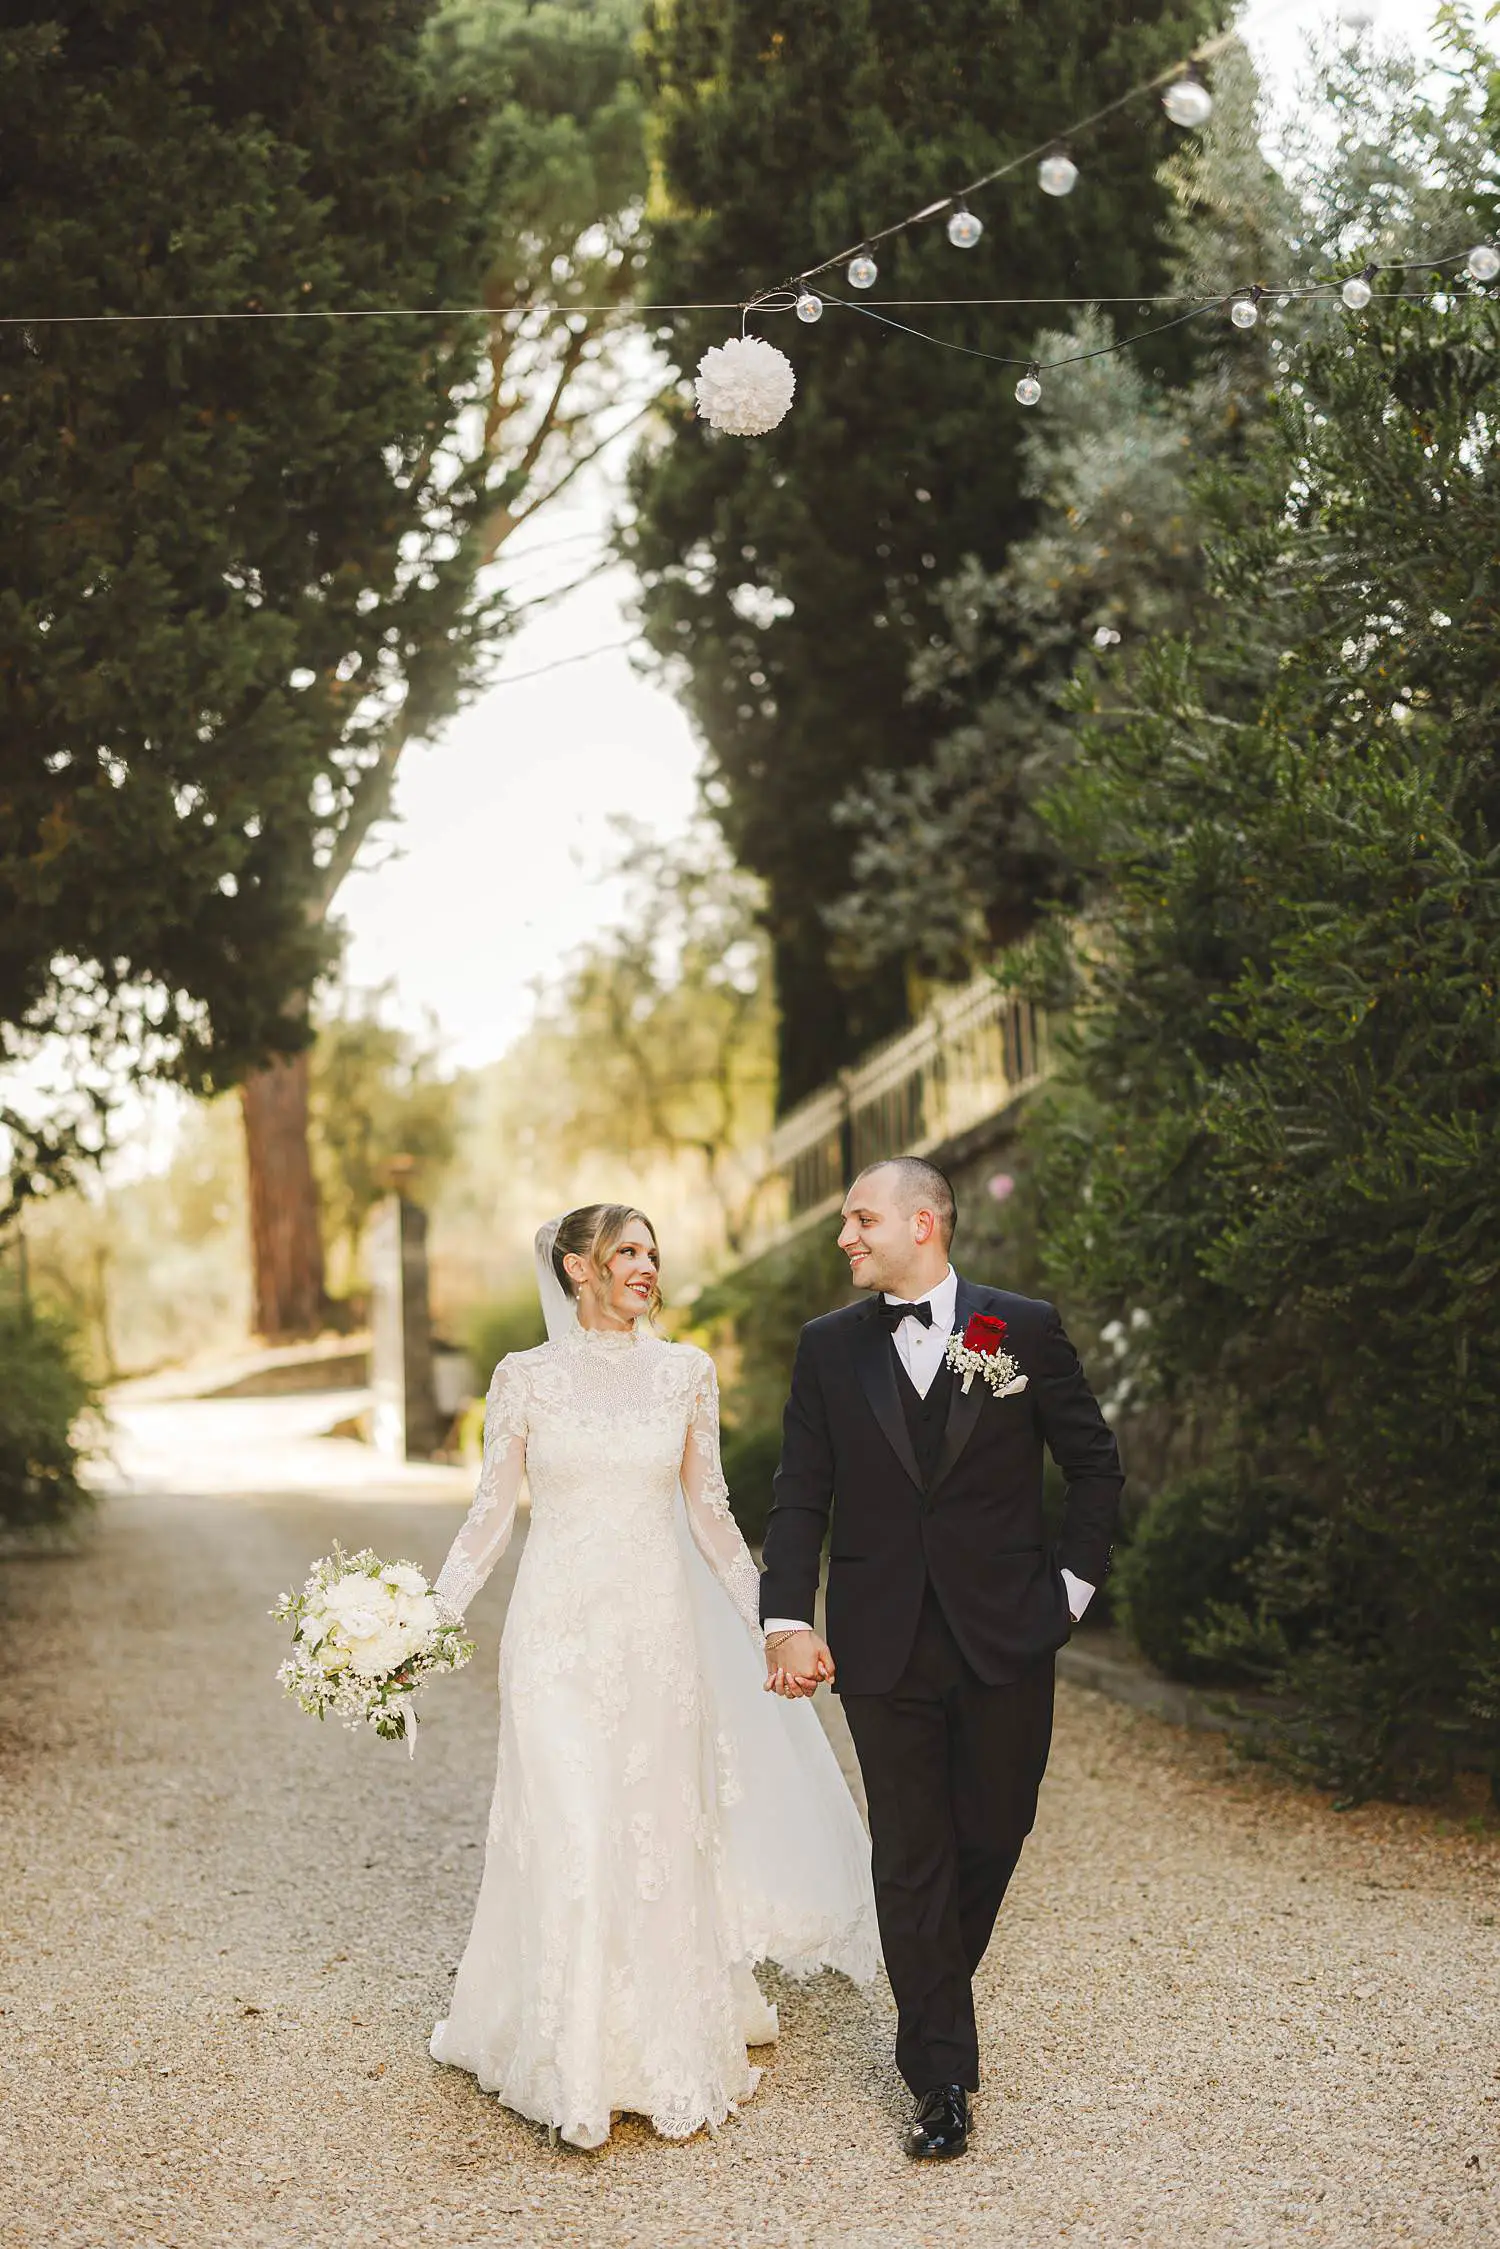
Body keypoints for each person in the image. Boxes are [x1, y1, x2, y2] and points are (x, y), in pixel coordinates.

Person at [428, 1203, 878, 2150]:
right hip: (552, 1639)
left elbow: (712, 1516)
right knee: (571, 1827)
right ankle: (570, 2059)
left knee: (652, 1830)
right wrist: (421, 1623)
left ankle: (654, 2043)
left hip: (654, 1641)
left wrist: (780, 1622)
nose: (644, 1266)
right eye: (625, 1251)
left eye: (652, 1252)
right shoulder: (522, 1379)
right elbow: (488, 1518)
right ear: (575, 1265)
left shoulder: (685, 1373)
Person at [759, 1157, 1122, 2161]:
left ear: (924, 1225)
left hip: (1009, 1629)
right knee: (909, 1848)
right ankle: (940, 2077)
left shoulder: (1016, 1328)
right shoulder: (828, 1348)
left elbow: (1093, 1464)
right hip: (881, 1641)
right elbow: (801, 1493)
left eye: (860, 1218)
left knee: (994, 1827)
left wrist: (1070, 1591)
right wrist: (787, 1613)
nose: (845, 1236)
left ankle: (929, 1989)